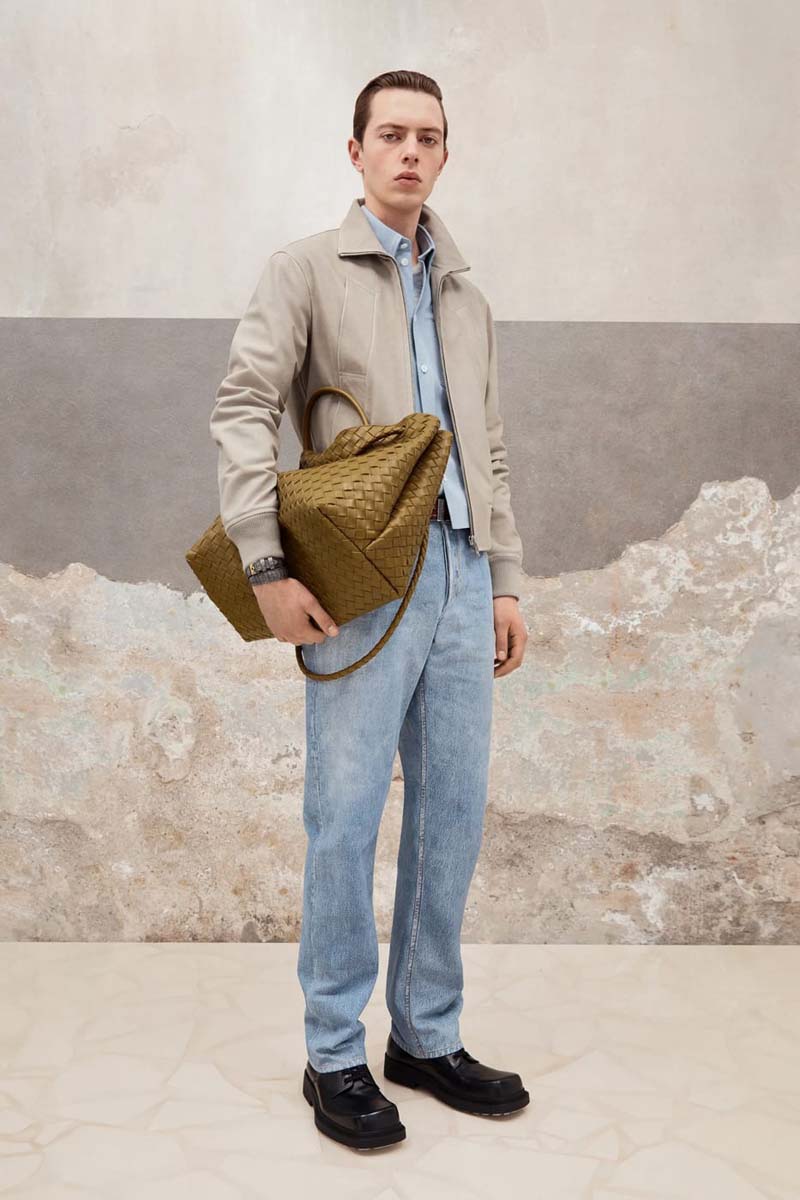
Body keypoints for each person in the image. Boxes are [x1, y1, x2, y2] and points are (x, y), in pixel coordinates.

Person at [209, 69, 530, 1151]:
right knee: (343, 819)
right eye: (390, 134)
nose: (409, 152)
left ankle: (426, 1036)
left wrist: (503, 577)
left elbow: (486, 443)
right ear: (356, 151)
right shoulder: (303, 270)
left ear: (444, 154)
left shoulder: (466, 293)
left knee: (452, 815)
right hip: (358, 575)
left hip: (459, 571)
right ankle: (333, 1053)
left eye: (426, 137)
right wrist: (264, 564)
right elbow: (245, 408)